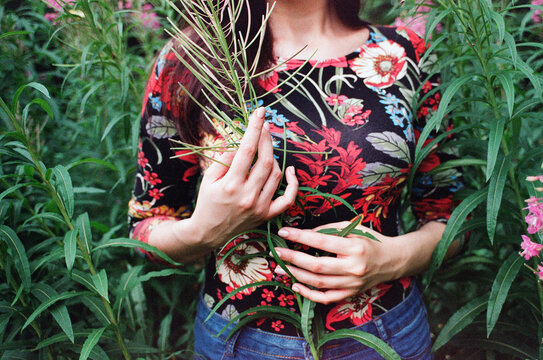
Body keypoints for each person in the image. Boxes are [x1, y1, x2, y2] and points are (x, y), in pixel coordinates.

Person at [128, 0, 464, 358]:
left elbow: (454, 220)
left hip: (385, 336)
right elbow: (145, 229)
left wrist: (393, 258)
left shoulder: (407, 53)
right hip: (242, 342)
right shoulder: (189, 62)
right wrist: (202, 231)